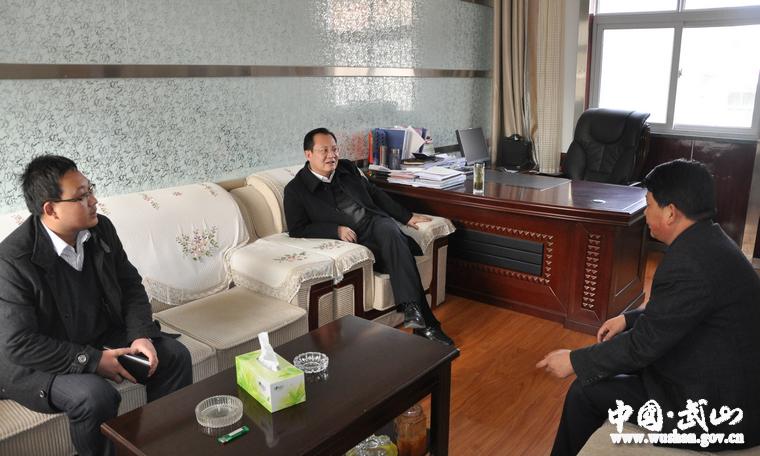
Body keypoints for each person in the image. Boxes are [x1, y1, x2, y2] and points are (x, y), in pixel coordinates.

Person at [537, 159, 760, 455]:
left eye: (649, 204)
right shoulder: (710, 242)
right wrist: (628, 319)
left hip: (713, 413)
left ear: (670, 212)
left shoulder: (689, 264)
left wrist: (574, 361)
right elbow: (681, 311)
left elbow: (642, 346)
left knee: (584, 392)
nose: (645, 212)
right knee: (615, 370)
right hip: (724, 383)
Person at [0, 155, 193, 456]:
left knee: (173, 356)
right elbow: (19, 344)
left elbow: (130, 285)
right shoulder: (12, 260)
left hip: (98, 335)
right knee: (95, 396)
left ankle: (162, 448)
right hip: (40, 360)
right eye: (81, 196)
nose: (93, 200)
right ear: (50, 209)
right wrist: (92, 361)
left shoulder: (101, 229)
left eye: (90, 190)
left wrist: (140, 335)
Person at [283, 128, 454, 346]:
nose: (332, 155)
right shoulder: (296, 189)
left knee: (390, 230)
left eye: (334, 149)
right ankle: (425, 324)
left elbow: (374, 193)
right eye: (324, 150)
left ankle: (415, 312)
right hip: (355, 239)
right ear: (308, 154)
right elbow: (297, 228)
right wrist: (335, 230)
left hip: (374, 223)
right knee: (399, 252)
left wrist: (407, 216)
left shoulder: (346, 167)